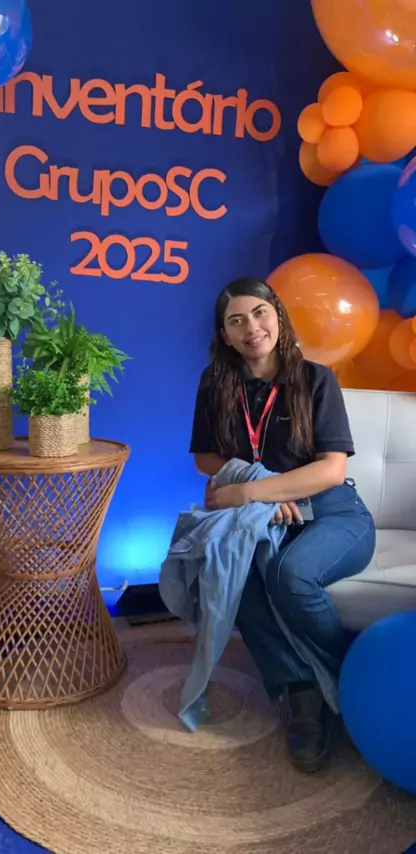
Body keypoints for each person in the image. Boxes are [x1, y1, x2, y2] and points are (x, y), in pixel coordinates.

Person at [189, 277, 375, 774]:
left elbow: (331, 469)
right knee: (234, 572)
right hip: (267, 514)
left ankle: (354, 671)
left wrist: (254, 491)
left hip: (334, 510)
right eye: (236, 321)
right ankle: (301, 693)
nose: (250, 327)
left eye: (259, 313)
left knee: (290, 574)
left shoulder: (316, 379)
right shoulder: (215, 383)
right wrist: (258, 488)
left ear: (278, 317)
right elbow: (206, 457)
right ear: (225, 335)